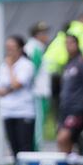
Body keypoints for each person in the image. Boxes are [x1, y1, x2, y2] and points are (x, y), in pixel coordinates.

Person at [0, 35, 35, 165]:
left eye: (12, 48)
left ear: (20, 48)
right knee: (14, 147)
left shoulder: (26, 65)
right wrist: (7, 89)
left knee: (25, 147)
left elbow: (17, 83)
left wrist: (11, 69)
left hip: (24, 111)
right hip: (8, 111)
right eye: (7, 48)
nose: (9, 51)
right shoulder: (3, 65)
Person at [57, 35, 83, 154]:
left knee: (63, 138)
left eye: (71, 43)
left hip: (77, 109)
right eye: (66, 43)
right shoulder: (68, 65)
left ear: (77, 44)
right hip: (66, 109)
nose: (68, 46)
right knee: (64, 140)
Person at [24, 21, 51, 150]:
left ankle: (36, 149)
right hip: (38, 93)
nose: (46, 35)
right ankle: (36, 151)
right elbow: (31, 72)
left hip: (38, 92)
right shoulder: (35, 48)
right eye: (44, 33)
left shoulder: (36, 47)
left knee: (38, 125)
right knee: (38, 125)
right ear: (37, 34)